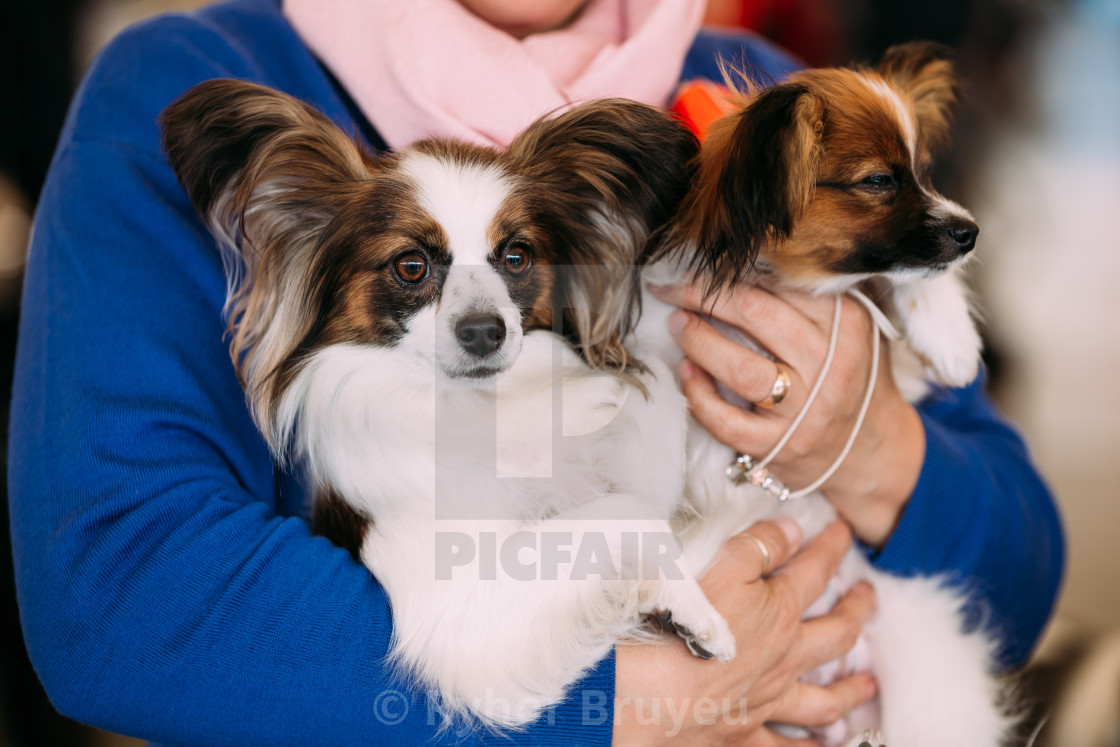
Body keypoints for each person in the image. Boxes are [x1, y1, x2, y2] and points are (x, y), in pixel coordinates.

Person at [8, 0, 1062, 744]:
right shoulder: (192, 73)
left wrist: (865, 436)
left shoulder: (767, 109)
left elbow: (1014, 576)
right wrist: (619, 708)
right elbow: (117, 595)